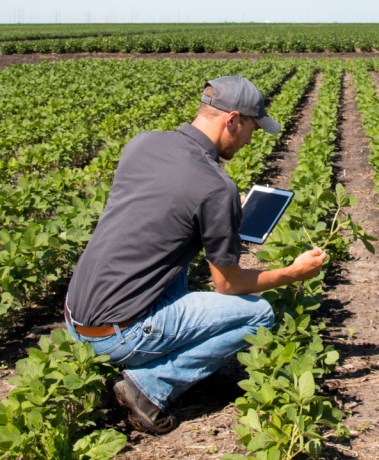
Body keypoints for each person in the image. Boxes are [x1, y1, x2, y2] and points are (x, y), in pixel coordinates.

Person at [64, 76, 326, 435]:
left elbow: (164, 212)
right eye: (251, 128)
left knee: (176, 259)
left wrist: (224, 216)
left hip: (77, 314)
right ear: (232, 120)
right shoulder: (215, 187)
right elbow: (227, 285)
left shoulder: (143, 142)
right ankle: (150, 387)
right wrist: (293, 273)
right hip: (116, 334)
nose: (251, 140)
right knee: (258, 315)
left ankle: (175, 355)